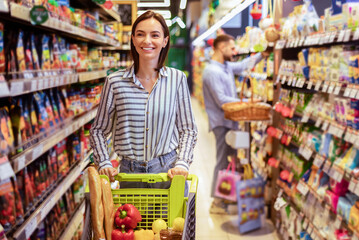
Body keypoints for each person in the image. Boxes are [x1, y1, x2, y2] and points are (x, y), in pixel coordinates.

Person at [90, 11, 197, 187]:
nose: (147, 41)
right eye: (140, 34)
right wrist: (104, 162)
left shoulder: (177, 79)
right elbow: (98, 130)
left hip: (168, 174)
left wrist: (182, 163)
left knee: (170, 216)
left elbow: (188, 129)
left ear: (165, 41)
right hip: (129, 176)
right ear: (133, 39)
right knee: (132, 216)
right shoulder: (115, 82)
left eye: (155, 35)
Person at [202, 34, 268, 214]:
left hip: (230, 122)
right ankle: (216, 202)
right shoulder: (211, 71)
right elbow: (222, 100)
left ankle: (226, 195)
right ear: (220, 48)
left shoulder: (226, 66)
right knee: (222, 160)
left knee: (229, 160)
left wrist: (263, 54)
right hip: (221, 123)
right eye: (231, 48)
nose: (235, 51)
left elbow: (243, 65)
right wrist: (247, 103)